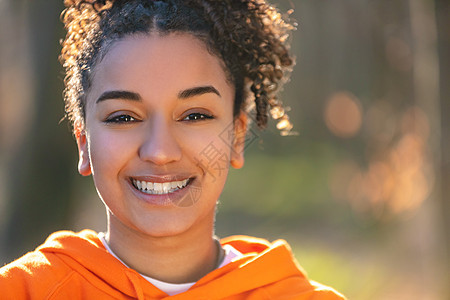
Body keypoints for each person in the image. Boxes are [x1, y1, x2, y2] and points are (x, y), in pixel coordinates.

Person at [0, 0, 346, 298]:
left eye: (195, 115)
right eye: (123, 117)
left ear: (237, 137)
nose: (160, 151)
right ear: (84, 142)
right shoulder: (23, 291)